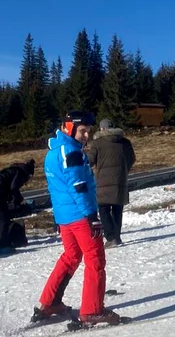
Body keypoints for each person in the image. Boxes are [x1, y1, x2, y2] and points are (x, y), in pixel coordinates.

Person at [35, 110, 122, 325]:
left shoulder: (54, 151)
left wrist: (59, 218)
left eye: (88, 131)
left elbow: (56, 188)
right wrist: (91, 216)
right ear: (69, 127)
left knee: (71, 256)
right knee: (95, 260)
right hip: (80, 216)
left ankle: (50, 302)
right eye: (83, 131)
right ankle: (92, 310)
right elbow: (79, 187)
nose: (86, 136)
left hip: (65, 217)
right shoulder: (71, 152)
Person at [87, 119, 136, 249]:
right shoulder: (125, 142)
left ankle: (110, 237)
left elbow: (90, 161)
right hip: (120, 180)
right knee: (117, 210)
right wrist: (124, 171)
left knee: (103, 210)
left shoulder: (97, 143)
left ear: (102, 129)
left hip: (103, 182)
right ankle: (117, 236)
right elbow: (132, 159)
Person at [0, 159, 35, 255]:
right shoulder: (19, 173)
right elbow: (13, 188)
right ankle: (3, 245)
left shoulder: (13, 170)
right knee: (3, 219)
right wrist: (20, 200)